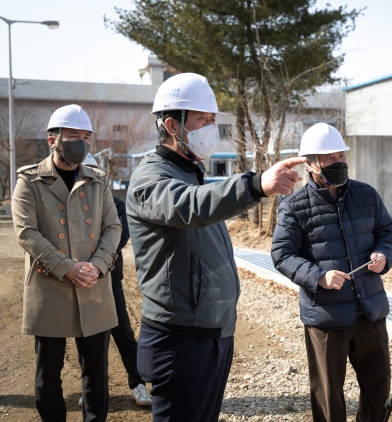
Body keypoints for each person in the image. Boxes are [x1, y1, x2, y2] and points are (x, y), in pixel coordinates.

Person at [126, 72, 306, 422]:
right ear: (172, 126)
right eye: (201, 119)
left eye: (212, 119)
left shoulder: (191, 172)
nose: (210, 127)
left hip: (210, 332)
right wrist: (255, 185)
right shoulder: (151, 177)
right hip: (179, 339)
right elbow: (191, 205)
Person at [271, 123, 392, 422]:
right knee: (329, 396)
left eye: (340, 155)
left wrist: (385, 255)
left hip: (370, 309)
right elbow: (282, 254)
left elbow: (387, 232)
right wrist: (318, 276)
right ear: (311, 163)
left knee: (378, 392)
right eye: (329, 158)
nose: (337, 162)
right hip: (327, 319)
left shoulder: (366, 195)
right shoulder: (294, 206)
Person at [12, 105, 121, 421]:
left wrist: (97, 266)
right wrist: (68, 268)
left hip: (93, 286)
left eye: (85, 136)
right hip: (51, 287)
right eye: (73, 135)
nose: (81, 142)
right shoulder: (30, 182)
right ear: (52, 140)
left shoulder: (97, 180)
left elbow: (112, 227)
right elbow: (27, 233)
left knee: (97, 376)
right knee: (49, 374)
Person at [81, 153, 152, 407]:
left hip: (110, 279)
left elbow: (119, 239)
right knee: (87, 337)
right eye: (82, 170)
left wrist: (92, 260)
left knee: (123, 332)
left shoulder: (116, 204)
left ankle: (138, 384)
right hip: (80, 282)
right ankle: (89, 390)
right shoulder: (69, 206)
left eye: (92, 170)